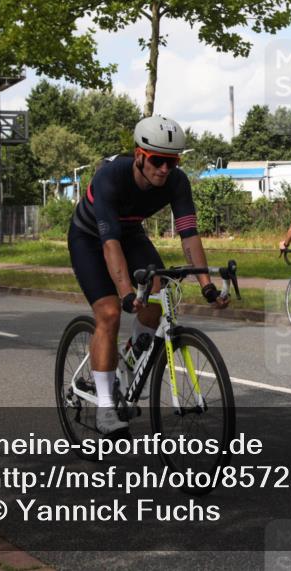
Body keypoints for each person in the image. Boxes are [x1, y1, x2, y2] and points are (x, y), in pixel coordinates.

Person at [68, 115, 230, 435]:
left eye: (173, 162)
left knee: (158, 293)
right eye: (158, 161)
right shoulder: (110, 177)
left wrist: (207, 286)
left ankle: (129, 359)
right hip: (90, 238)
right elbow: (109, 243)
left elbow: (189, 234)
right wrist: (126, 292)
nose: (165, 169)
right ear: (139, 156)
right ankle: (105, 408)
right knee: (110, 313)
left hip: (130, 234)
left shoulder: (177, 182)